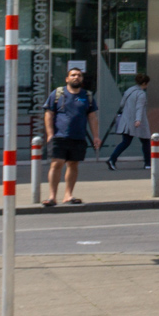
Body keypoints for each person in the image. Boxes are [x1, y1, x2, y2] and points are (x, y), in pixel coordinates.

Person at [43, 62, 100, 207]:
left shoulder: (87, 96)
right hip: (59, 136)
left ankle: (68, 195)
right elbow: (49, 114)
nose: (76, 77)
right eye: (73, 75)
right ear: (67, 79)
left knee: (73, 165)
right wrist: (50, 134)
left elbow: (92, 118)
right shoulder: (57, 94)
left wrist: (96, 136)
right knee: (57, 163)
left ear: (82, 79)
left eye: (79, 75)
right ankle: (52, 197)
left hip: (78, 136)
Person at [107, 73, 152, 171]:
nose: (147, 85)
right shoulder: (141, 94)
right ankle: (148, 163)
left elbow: (122, 103)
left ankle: (112, 159)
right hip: (137, 122)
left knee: (126, 142)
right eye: (147, 83)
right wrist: (138, 120)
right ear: (144, 83)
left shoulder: (129, 90)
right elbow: (139, 108)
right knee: (145, 141)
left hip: (126, 120)